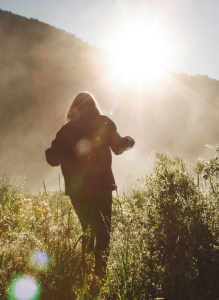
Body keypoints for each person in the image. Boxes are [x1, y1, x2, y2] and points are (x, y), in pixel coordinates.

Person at [45, 92, 135, 281]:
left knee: (87, 228)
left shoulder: (66, 130)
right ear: (94, 106)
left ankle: (84, 275)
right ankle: (99, 277)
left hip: (77, 190)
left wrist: (62, 151)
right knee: (103, 232)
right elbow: (118, 147)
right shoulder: (104, 123)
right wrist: (129, 142)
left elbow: (52, 158)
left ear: (73, 109)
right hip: (102, 186)